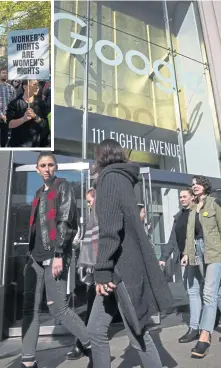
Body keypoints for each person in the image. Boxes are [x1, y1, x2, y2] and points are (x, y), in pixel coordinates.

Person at [87, 139, 173, 368]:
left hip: (120, 268)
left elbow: (111, 229)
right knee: (95, 330)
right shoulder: (122, 178)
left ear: (101, 156)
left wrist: (103, 270)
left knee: (138, 333)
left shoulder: (110, 179)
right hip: (120, 267)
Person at [21, 152, 90, 368]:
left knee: (58, 308)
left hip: (54, 255)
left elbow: (66, 222)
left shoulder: (63, 186)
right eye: (43, 165)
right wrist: (29, 256)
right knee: (29, 310)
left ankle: (94, 346)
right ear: (37, 169)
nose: (47, 169)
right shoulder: (38, 192)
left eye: (51, 165)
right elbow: (36, 227)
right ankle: (28, 361)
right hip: (34, 257)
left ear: (56, 167)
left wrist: (59, 254)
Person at [181, 175, 221, 358]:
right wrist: (187, 255)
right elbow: (191, 235)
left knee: (208, 293)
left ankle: (204, 336)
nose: (194, 186)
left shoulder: (214, 203)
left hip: (215, 252)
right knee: (217, 292)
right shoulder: (192, 208)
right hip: (197, 252)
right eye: (192, 185)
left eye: (197, 184)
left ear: (205, 186)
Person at [66, 187, 97, 360]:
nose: (88, 204)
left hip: (101, 272)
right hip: (91, 273)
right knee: (91, 310)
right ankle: (83, 344)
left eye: (89, 200)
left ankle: (85, 345)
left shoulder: (102, 217)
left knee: (94, 313)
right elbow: (81, 242)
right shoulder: (89, 220)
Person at [6, 80, 49, 147]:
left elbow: (45, 125)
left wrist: (35, 116)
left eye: (38, 85)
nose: (37, 87)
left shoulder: (42, 104)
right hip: (18, 144)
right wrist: (23, 119)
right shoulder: (14, 103)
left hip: (35, 145)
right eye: (34, 84)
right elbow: (9, 124)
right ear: (25, 86)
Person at [0, 66, 16, 146]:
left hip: (6, 118)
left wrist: (8, 115)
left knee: (4, 138)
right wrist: (1, 115)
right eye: (3, 73)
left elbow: (13, 103)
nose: (5, 75)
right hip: (1, 115)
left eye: (6, 73)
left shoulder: (11, 88)